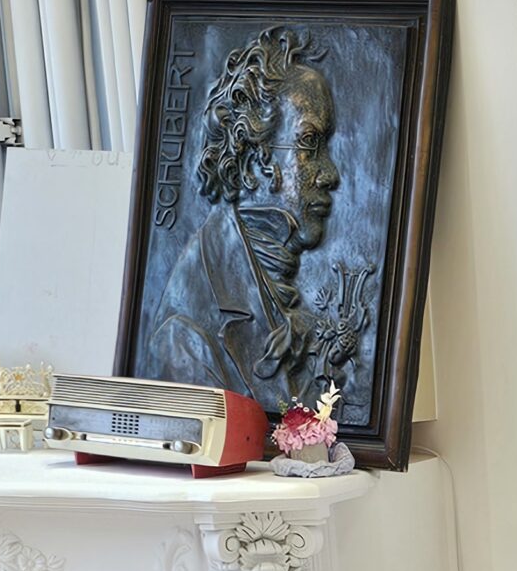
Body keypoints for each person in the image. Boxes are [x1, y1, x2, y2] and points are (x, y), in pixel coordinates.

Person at [143, 26, 361, 409]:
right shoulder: (185, 339)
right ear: (252, 161)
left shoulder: (275, 291)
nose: (330, 175)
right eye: (309, 143)